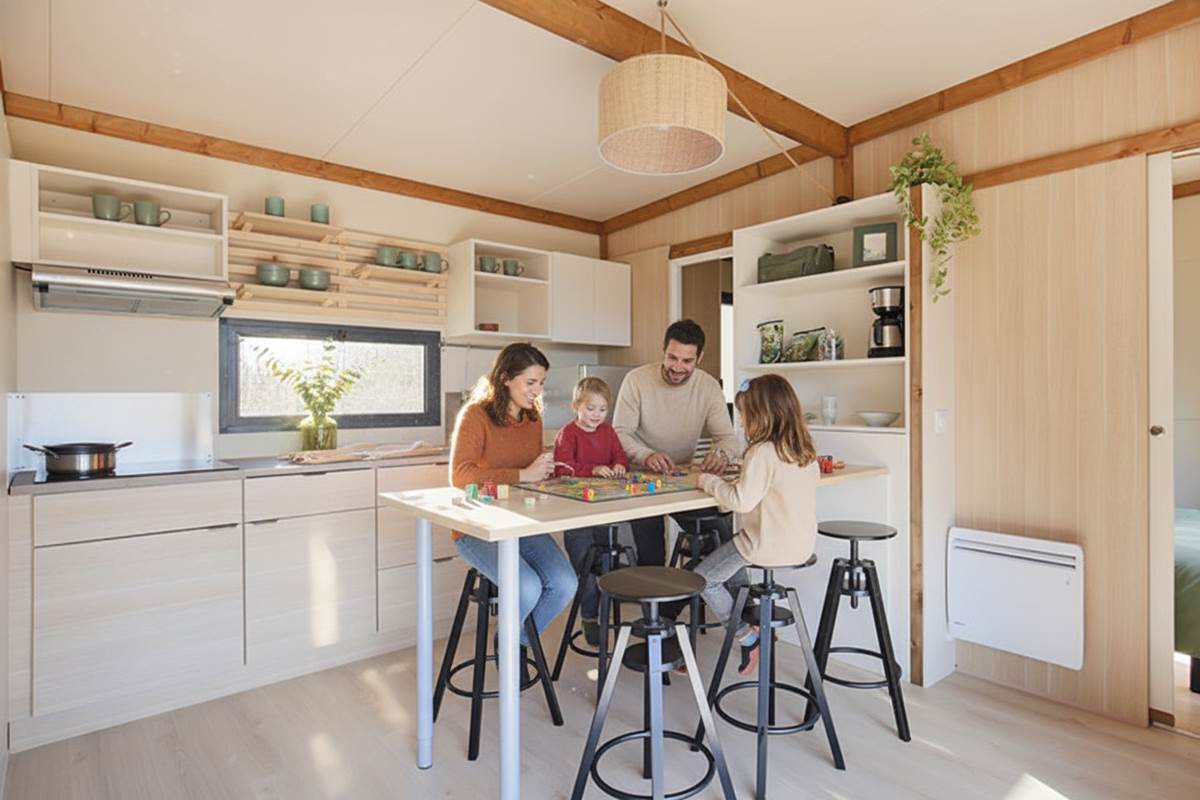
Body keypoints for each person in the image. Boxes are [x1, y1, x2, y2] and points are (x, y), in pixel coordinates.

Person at [448, 343, 577, 646]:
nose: (538, 391)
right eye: (530, 382)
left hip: (521, 524)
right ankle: (511, 651)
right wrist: (523, 475)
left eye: (541, 383)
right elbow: (460, 475)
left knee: (565, 583)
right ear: (505, 378)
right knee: (527, 587)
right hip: (477, 528)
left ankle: (513, 642)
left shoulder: (532, 418)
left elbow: (530, 475)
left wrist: (548, 472)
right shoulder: (475, 415)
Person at [691, 374, 820, 675]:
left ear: (760, 416)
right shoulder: (805, 451)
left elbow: (740, 502)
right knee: (731, 558)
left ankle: (747, 637)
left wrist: (708, 482)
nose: (742, 423)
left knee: (704, 579)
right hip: (800, 546)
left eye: (744, 415)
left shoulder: (762, 452)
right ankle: (757, 622)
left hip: (765, 547)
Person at [613, 319, 739, 568]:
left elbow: (727, 437)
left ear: (699, 358)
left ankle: (680, 603)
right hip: (642, 480)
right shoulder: (636, 380)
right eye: (673, 358)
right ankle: (660, 604)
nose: (678, 367)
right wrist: (646, 455)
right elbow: (619, 433)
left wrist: (721, 454)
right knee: (651, 556)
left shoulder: (709, 386)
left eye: (687, 361)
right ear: (663, 349)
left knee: (718, 540)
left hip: (683, 479)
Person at [554, 377, 630, 645]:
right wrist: (593, 470)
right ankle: (589, 617)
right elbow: (563, 470)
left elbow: (620, 456)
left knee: (606, 565)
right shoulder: (568, 434)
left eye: (602, 410)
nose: (596, 415)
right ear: (575, 405)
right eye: (590, 409)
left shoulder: (608, 432)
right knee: (584, 566)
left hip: (605, 510)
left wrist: (620, 465)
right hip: (576, 514)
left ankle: (605, 614)